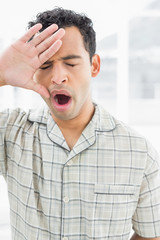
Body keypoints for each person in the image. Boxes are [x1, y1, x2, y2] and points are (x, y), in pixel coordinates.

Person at [0, 7, 160, 240]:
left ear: (94, 66)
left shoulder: (139, 152)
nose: (57, 77)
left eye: (71, 64)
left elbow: (150, 234)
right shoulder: (11, 131)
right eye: (45, 65)